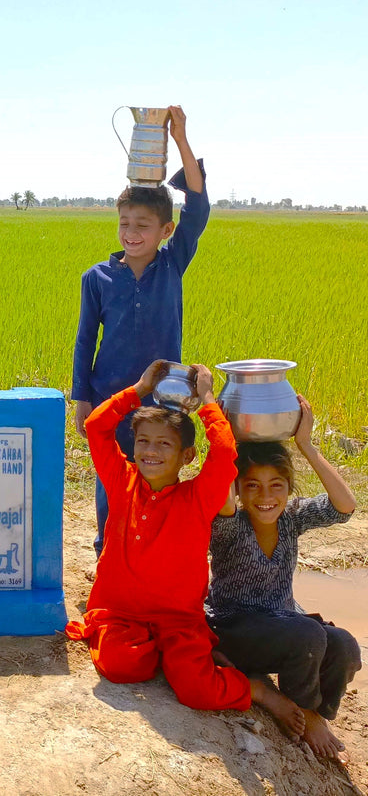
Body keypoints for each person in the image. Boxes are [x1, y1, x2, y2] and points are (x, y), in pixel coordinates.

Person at [65, 360, 304, 733]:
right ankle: (167, 654)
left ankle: (255, 690)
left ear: (187, 456)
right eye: (143, 441)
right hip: (119, 613)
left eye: (164, 444)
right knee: (121, 668)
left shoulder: (198, 498)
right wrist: (141, 388)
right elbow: (96, 427)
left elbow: (224, 454)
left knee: (196, 690)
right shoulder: (121, 480)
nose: (151, 451)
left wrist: (208, 398)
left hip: (178, 620)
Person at [71, 106, 209, 556]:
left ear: (165, 230)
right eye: (124, 223)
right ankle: (107, 554)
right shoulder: (97, 278)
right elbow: (85, 339)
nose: (132, 233)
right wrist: (82, 397)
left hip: (165, 398)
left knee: (159, 474)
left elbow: (199, 206)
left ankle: (152, 556)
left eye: (143, 225)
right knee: (111, 480)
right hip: (112, 396)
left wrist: (181, 137)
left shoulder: (172, 264)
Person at [207, 396, 359, 763]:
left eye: (276, 486)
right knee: (308, 636)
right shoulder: (229, 526)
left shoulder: (292, 518)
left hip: (282, 627)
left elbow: (345, 507)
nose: (265, 497)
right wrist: (225, 434)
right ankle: (303, 712)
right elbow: (223, 497)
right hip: (233, 628)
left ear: (289, 489)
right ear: (240, 490)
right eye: (253, 486)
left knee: (345, 647)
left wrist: (306, 445)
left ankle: (319, 713)